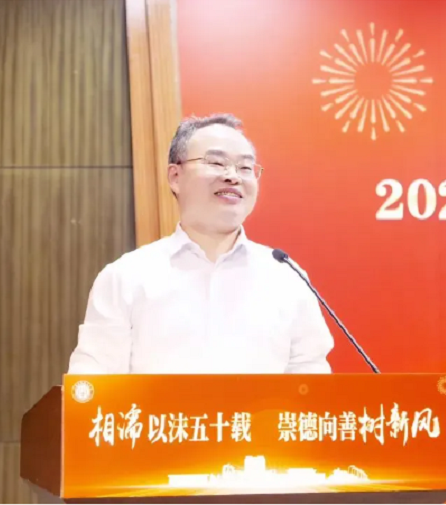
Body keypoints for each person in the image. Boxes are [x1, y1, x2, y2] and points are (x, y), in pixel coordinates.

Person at [67, 113, 334, 374]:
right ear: (175, 177)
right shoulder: (126, 277)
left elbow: (311, 379)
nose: (233, 176)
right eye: (216, 163)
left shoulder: (286, 277)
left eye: (245, 167)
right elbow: (92, 382)